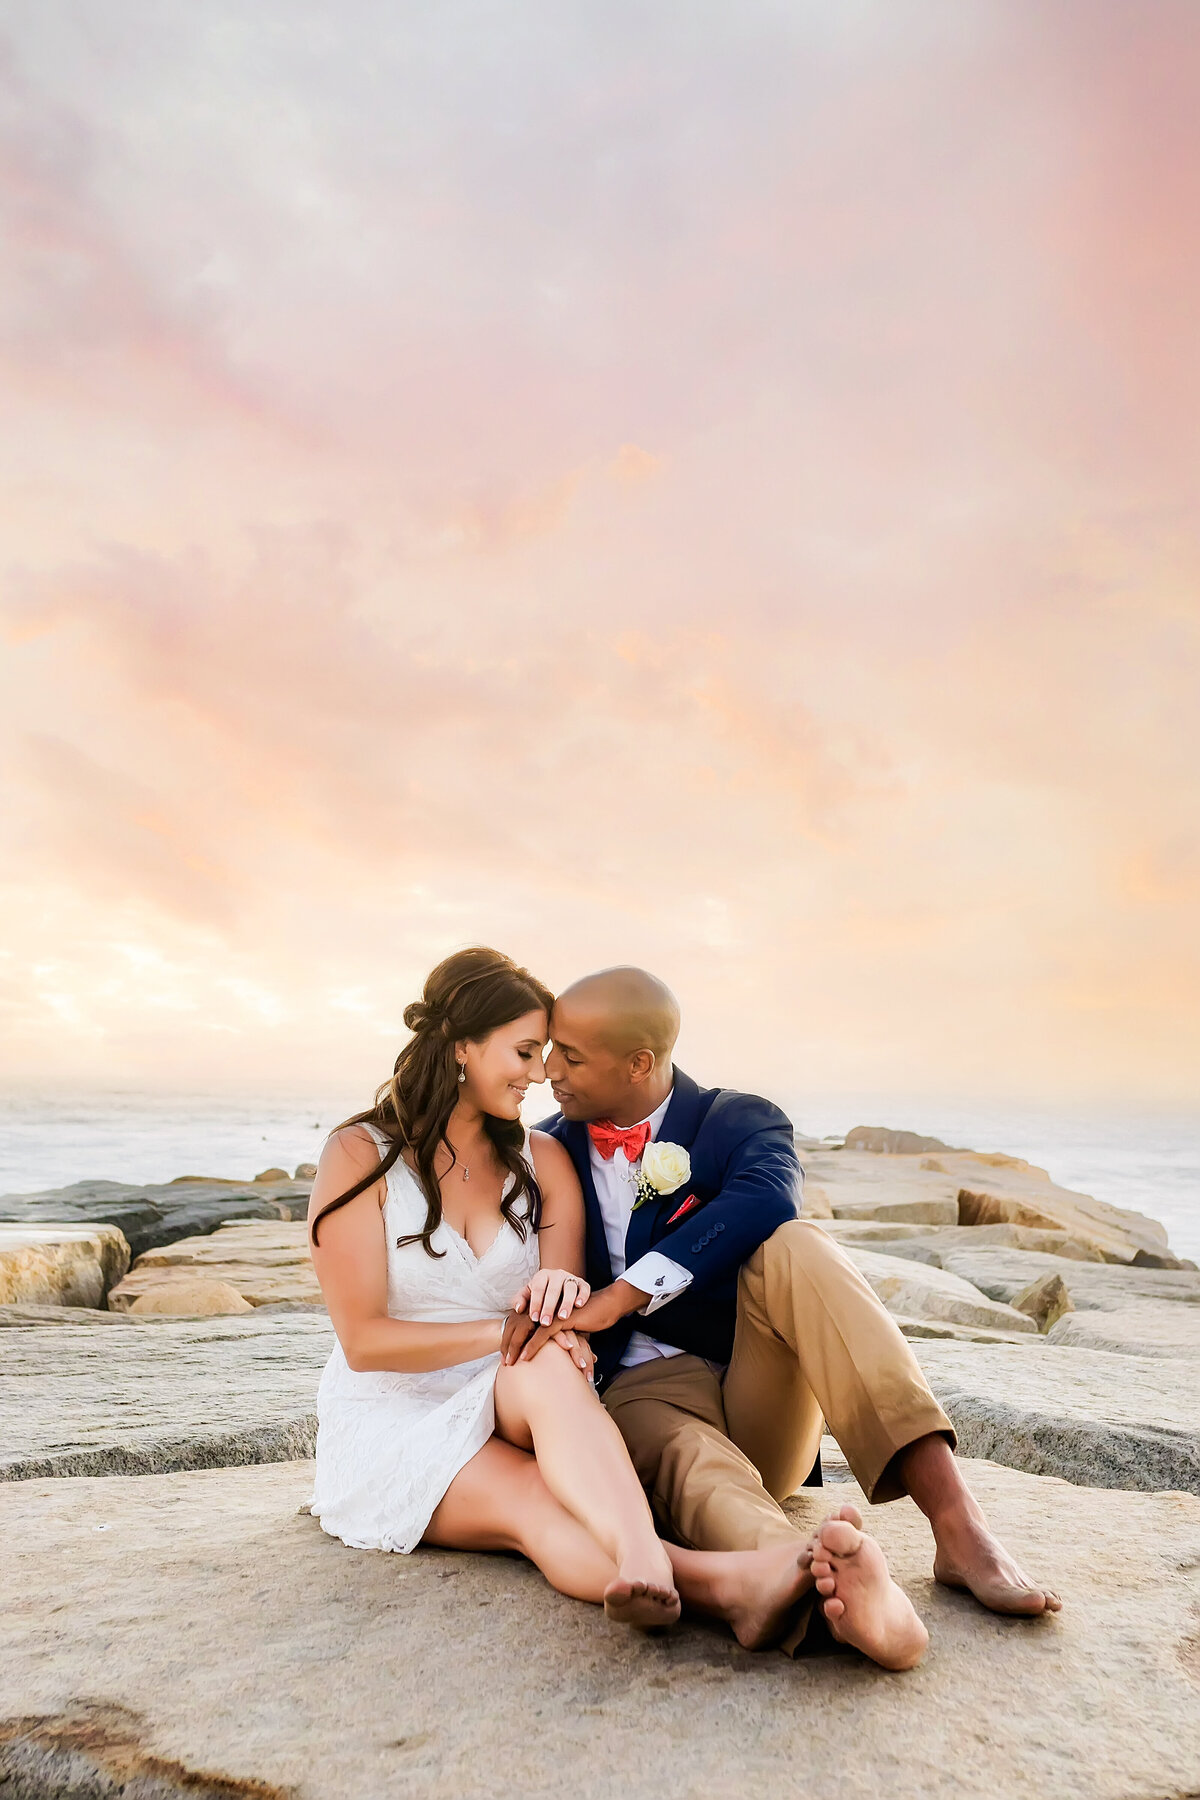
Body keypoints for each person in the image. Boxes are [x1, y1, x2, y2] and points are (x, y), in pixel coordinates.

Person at [304, 947, 926, 1668]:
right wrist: (513, 1330)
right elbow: (363, 1341)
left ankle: (653, 1553)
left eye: (552, 1054)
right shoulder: (359, 1152)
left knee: (547, 1359)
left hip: (509, 1387)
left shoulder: (546, 1159)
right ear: (461, 1048)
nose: (542, 1073)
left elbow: (561, 1303)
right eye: (529, 1051)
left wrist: (557, 1313)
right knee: (535, 1504)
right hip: (397, 1405)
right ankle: (726, 1584)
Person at [505, 965, 1062, 1654]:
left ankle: (958, 1523)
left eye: (572, 1055)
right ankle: (824, 1576)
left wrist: (622, 1294)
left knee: (796, 1243)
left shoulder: (733, 1119)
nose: (549, 1069)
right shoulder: (546, 1145)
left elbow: (768, 1199)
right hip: (644, 1392)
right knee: (682, 1454)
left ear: (638, 1063)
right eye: (549, 1049)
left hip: (762, 1381)